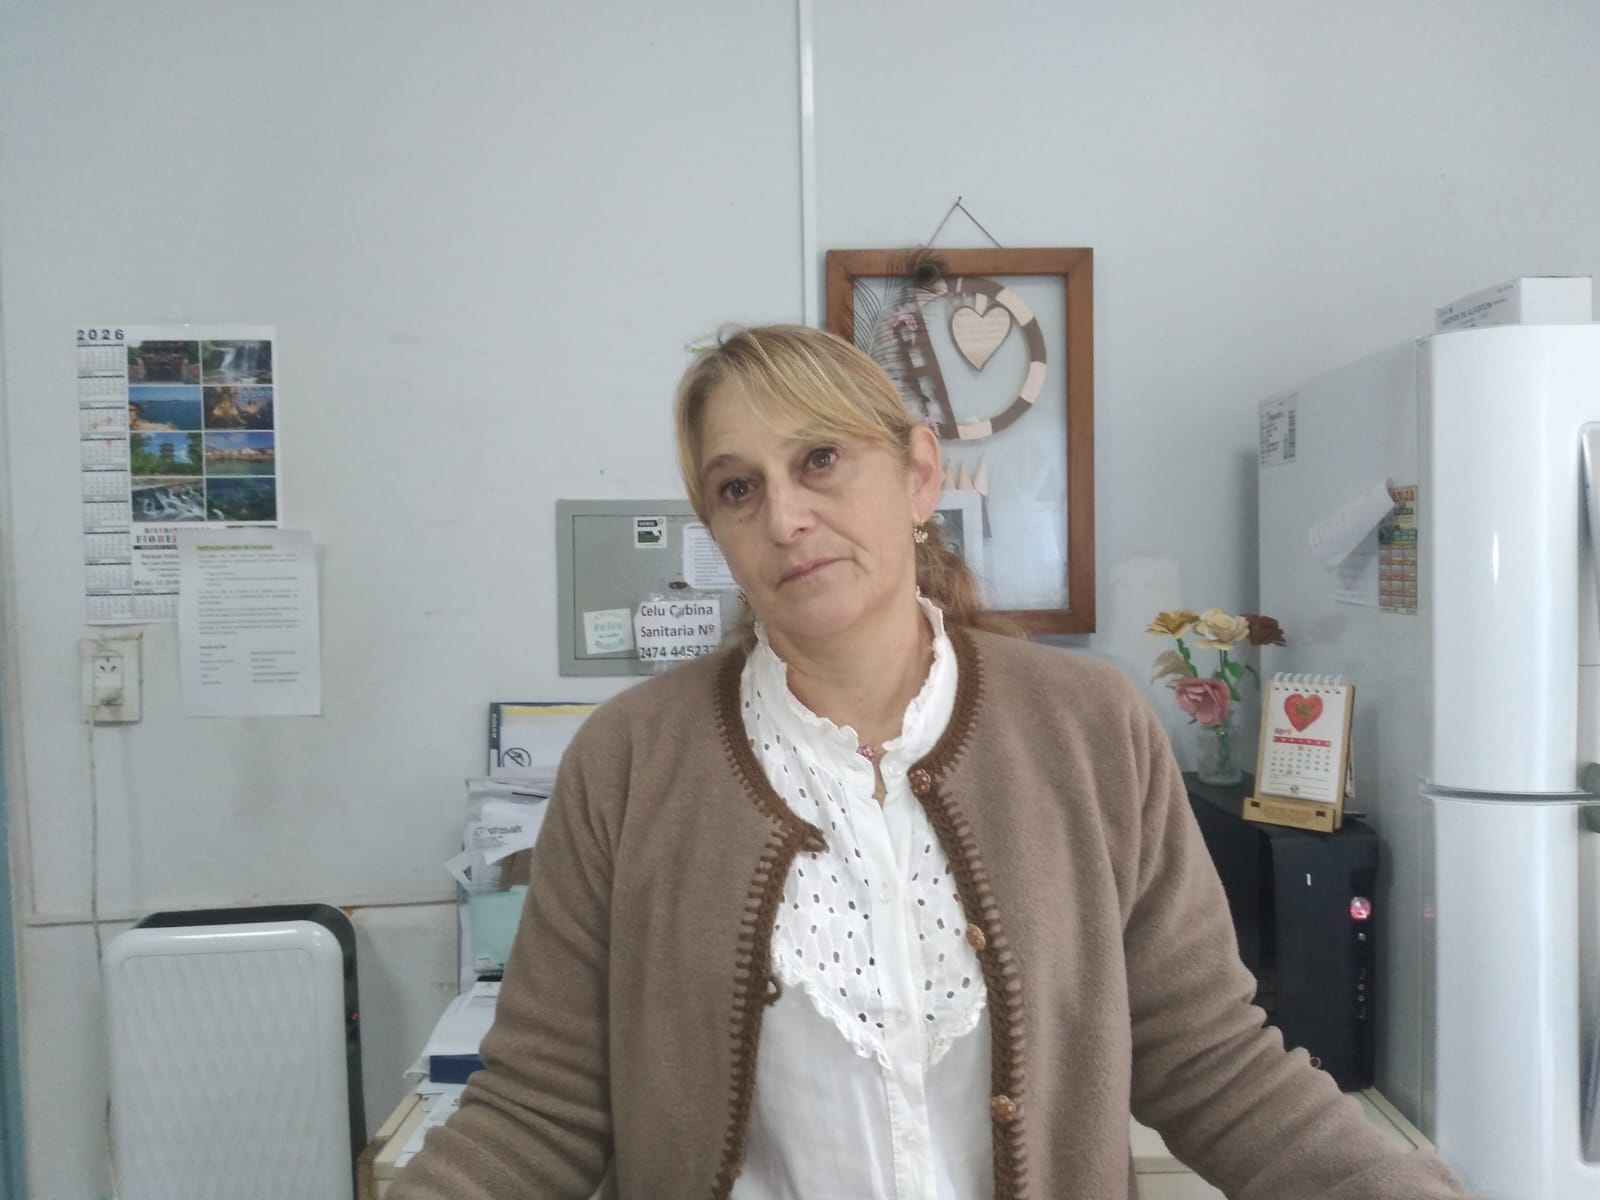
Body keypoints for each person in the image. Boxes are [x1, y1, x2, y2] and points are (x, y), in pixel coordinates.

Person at [392, 325, 1474, 1199]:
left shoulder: (1087, 727)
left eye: (819, 460)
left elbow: (1207, 1056)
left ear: (917, 476)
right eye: (738, 488)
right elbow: (538, 1110)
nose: (786, 516)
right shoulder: (629, 762)